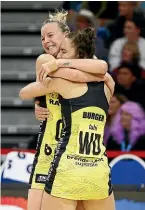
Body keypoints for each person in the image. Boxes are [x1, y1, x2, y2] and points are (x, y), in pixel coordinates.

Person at [21, 10, 114, 210]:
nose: (46, 41)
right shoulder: (45, 61)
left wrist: (62, 63)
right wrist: (38, 104)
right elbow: (99, 73)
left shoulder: (84, 60)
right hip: (51, 146)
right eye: (42, 38)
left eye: (50, 35)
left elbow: (103, 69)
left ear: (66, 36)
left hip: (75, 152)